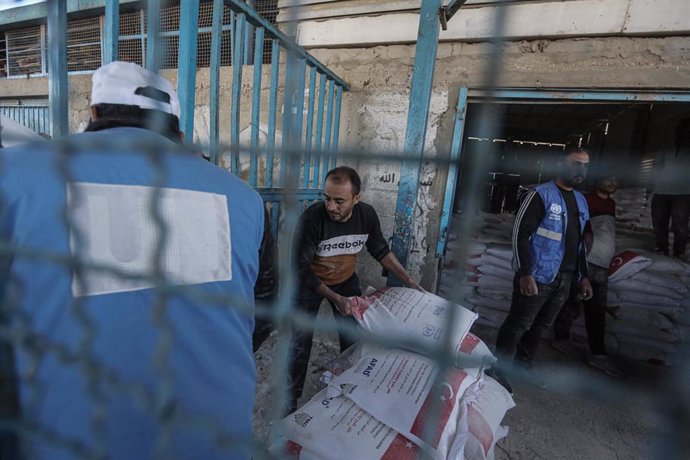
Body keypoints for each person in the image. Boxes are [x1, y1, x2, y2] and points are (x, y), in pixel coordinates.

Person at [0, 61, 264, 459]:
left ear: (94, 113)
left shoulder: (17, 174)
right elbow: (265, 301)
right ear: (177, 128)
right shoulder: (244, 198)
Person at [286, 166, 422, 411]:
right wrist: (334, 297)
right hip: (310, 283)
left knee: (352, 341)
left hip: (346, 280)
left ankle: (345, 387)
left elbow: (380, 250)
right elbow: (301, 268)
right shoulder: (312, 218)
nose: (331, 207)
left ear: (356, 198)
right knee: (299, 342)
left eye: (339, 201)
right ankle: (289, 401)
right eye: (326, 198)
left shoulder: (366, 216)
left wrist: (408, 280)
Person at [489, 146, 593, 394]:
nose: (581, 170)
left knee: (541, 326)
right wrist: (525, 272)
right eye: (575, 163)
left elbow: (579, 243)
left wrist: (583, 276)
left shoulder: (580, 200)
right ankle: (498, 370)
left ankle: (523, 365)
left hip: (565, 278)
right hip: (537, 275)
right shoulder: (539, 194)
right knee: (519, 324)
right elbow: (519, 235)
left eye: (586, 165)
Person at [552, 175, 622, 377]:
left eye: (615, 179)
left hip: (603, 263)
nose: (612, 181)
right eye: (608, 177)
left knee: (597, 309)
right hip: (585, 261)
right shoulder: (585, 200)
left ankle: (598, 354)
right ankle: (561, 339)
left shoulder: (611, 204)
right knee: (572, 302)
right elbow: (576, 230)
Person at [652, 118, 690, 260]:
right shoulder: (666, 148)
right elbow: (657, 166)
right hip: (661, 190)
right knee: (659, 222)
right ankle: (661, 248)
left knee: (680, 225)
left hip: (684, 193)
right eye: (682, 129)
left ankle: (679, 252)